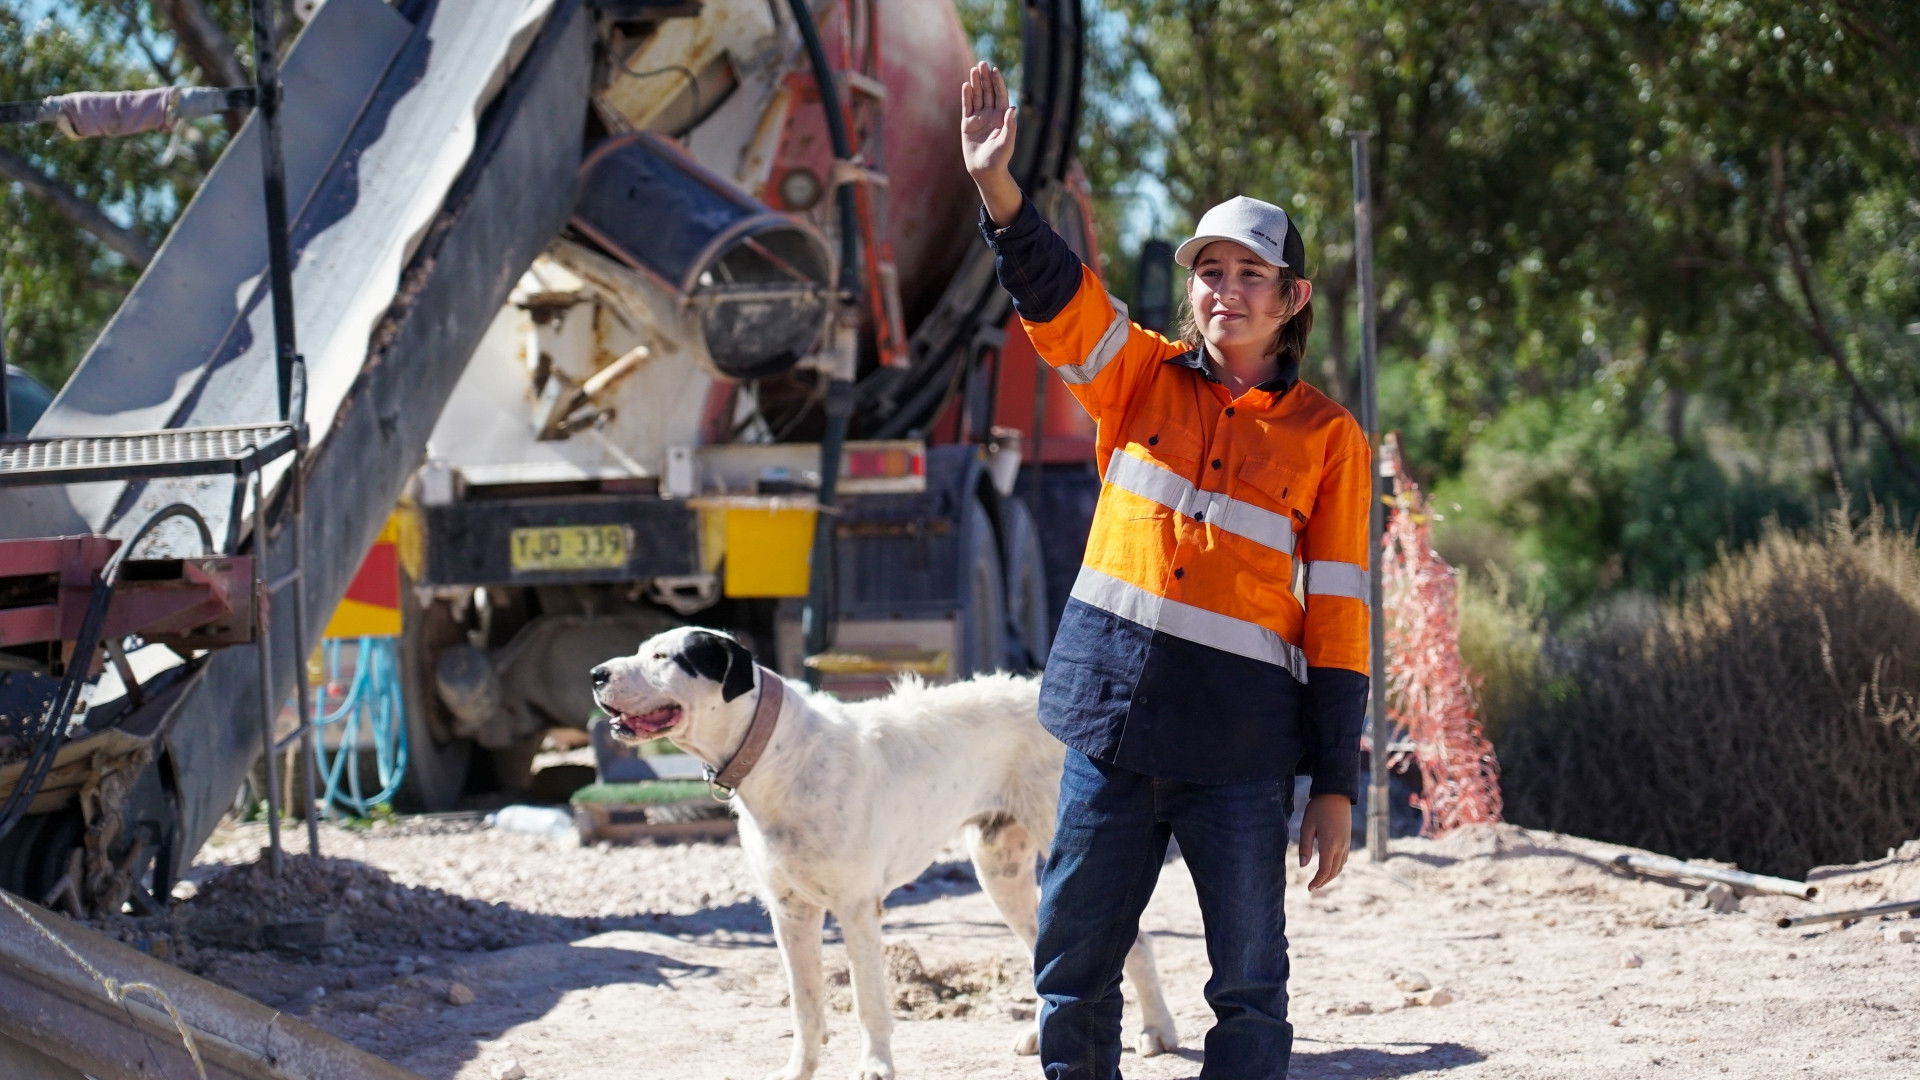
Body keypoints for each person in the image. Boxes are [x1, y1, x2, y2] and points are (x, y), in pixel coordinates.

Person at [960, 61, 1372, 1080]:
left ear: (1293, 297)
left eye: (1248, 276)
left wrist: (1334, 784)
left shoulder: (1330, 440)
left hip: (1239, 753)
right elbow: (1059, 296)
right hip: (1108, 731)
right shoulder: (1137, 375)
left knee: (1248, 990)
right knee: (1071, 973)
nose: (1225, 292)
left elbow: (1341, 620)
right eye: (1210, 273)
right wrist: (998, 189)